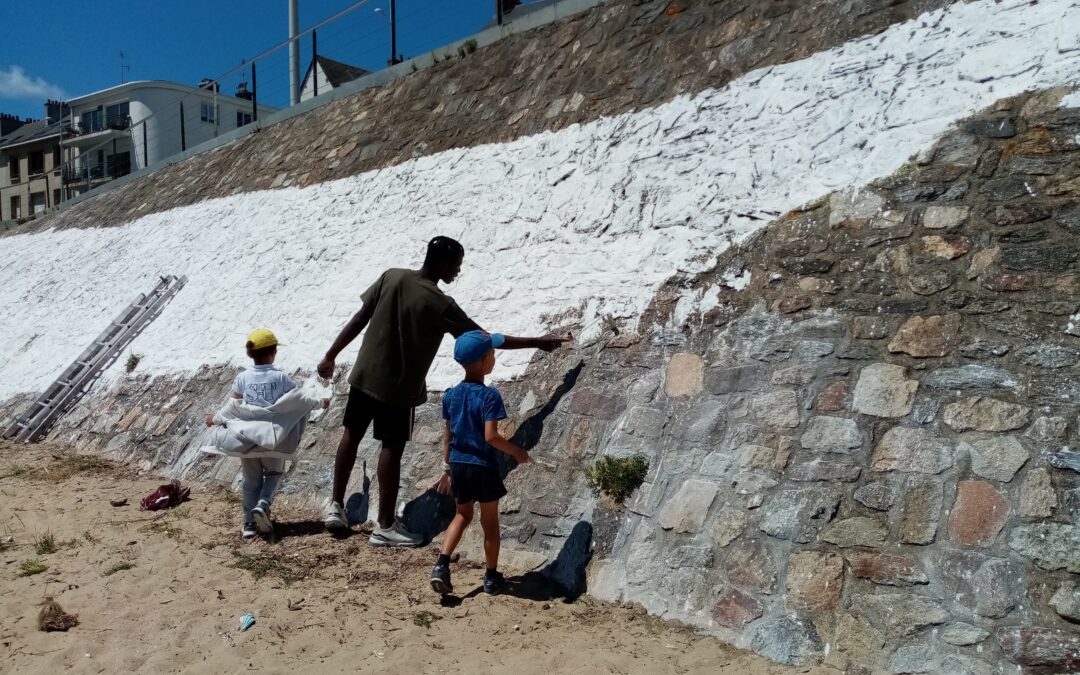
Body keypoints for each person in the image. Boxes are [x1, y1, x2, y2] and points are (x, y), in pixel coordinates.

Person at [317, 236, 569, 546]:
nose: (458, 271)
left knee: (350, 435)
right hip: (399, 388)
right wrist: (537, 341)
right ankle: (384, 526)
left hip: (364, 375)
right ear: (443, 263)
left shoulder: (391, 275)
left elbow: (360, 318)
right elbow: (484, 338)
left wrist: (331, 354)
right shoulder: (440, 303)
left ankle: (335, 506)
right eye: (456, 265)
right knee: (391, 449)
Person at [430, 330, 530, 595]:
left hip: (459, 465)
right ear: (485, 361)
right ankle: (491, 577)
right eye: (492, 353)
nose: (494, 357)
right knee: (490, 524)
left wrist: (446, 469)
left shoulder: (450, 396)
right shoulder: (489, 396)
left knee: (461, 516)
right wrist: (516, 451)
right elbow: (491, 436)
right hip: (483, 467)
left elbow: (447, 437)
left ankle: (441, 565)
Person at [203, 329, 329, 538]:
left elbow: (232, 407)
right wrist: (321, 402)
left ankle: (249, 525)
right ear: (273, 353)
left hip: (247, 440)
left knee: (250, 481)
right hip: (273, 441)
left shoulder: (242, 378)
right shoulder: (281, 378)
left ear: (250, 355)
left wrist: (213, 419)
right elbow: (298, 401)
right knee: (274, 474)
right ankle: (263, 504)